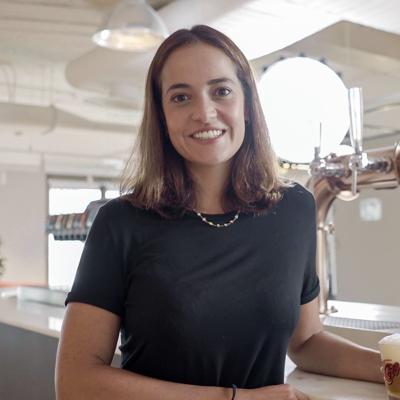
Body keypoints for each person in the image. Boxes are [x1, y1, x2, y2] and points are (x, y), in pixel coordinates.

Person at [55, 25, 383, 400]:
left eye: (221, 91)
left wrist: (390, 369)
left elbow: (306, 341)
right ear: (162, 116)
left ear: (247, 105)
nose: (204, 112)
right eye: (181, 97)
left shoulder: (295, 208)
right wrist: (234, 399)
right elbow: (75, 383)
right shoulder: (121, 222)